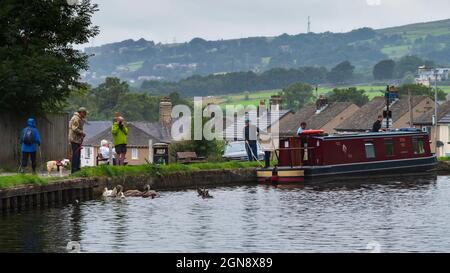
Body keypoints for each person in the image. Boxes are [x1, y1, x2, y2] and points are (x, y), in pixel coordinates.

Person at [69, 107, 87, 174]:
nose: (85, 115)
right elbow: (74, 128)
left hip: (77, 139)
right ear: (81, 112)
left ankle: (77, 169)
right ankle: (74, 170)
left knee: (78, 155)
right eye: (84, 113)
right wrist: (82, 133)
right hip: (74, 139)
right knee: (75, 155)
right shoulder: (76, 118)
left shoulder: (79, 118)